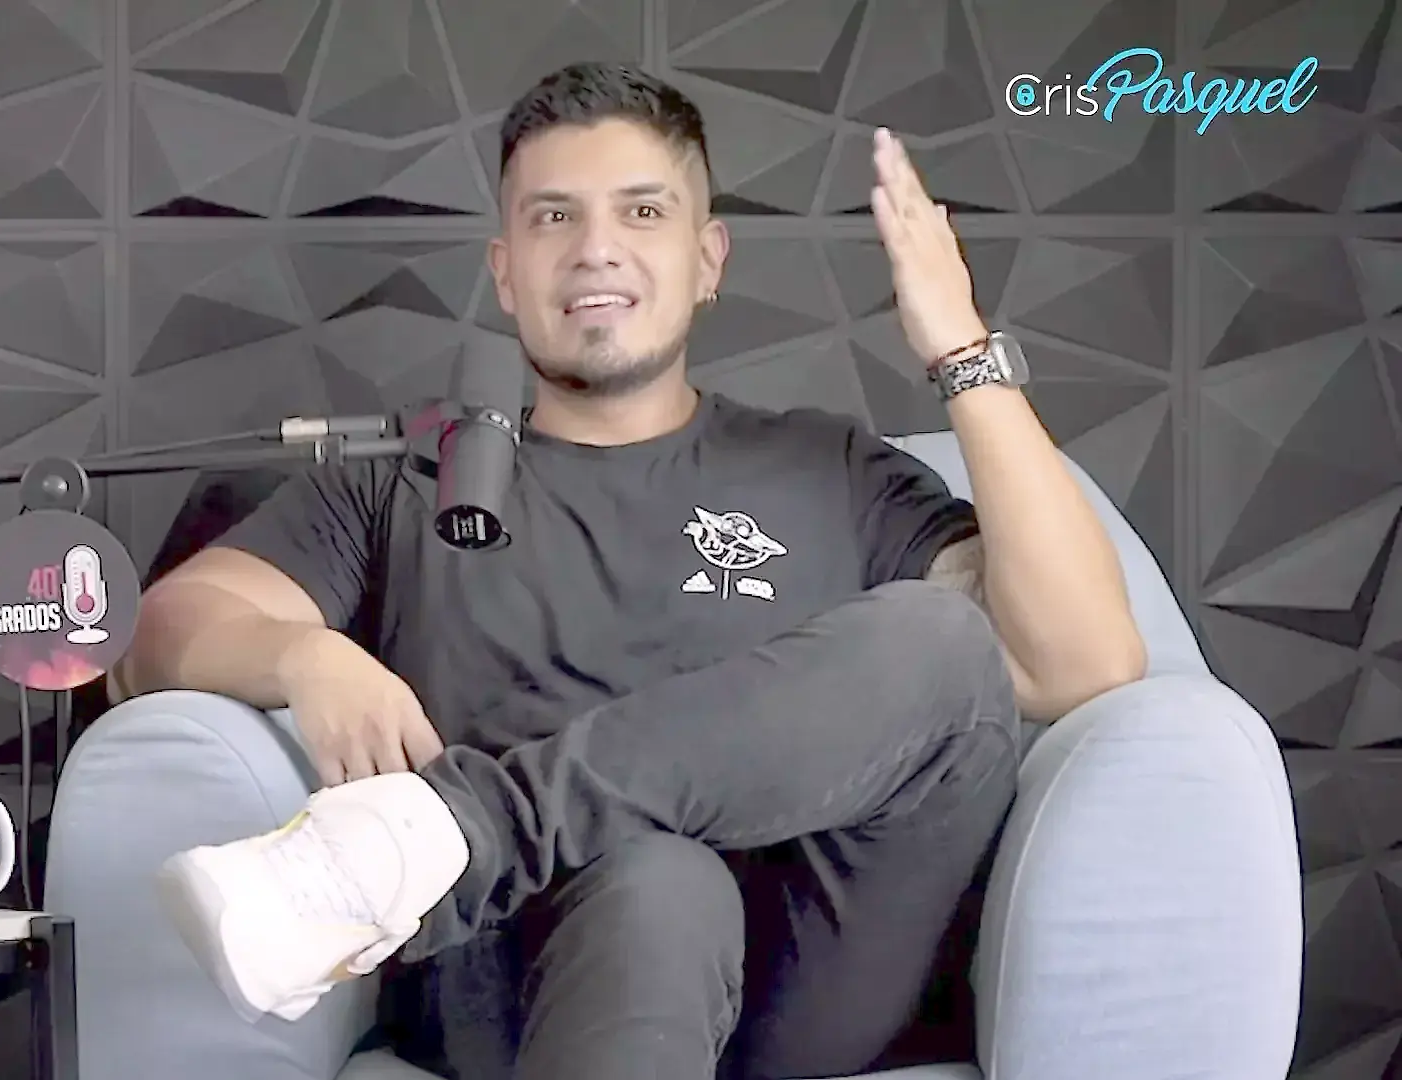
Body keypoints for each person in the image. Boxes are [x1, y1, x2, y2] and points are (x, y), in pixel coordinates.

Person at [123, 63, 1146, 1080]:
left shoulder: (830, 470)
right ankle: (452, 847)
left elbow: (1082, 661)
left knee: (946, 638)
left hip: (804, 969)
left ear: (708, 260)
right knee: (661, 880)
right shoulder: (411, 477)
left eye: (643, 211)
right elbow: (160, 635)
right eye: (554, 217)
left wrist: (960, 346)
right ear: (505, 270)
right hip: (526, 968)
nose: (596, 247)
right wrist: (302, 656)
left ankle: (450, 834)